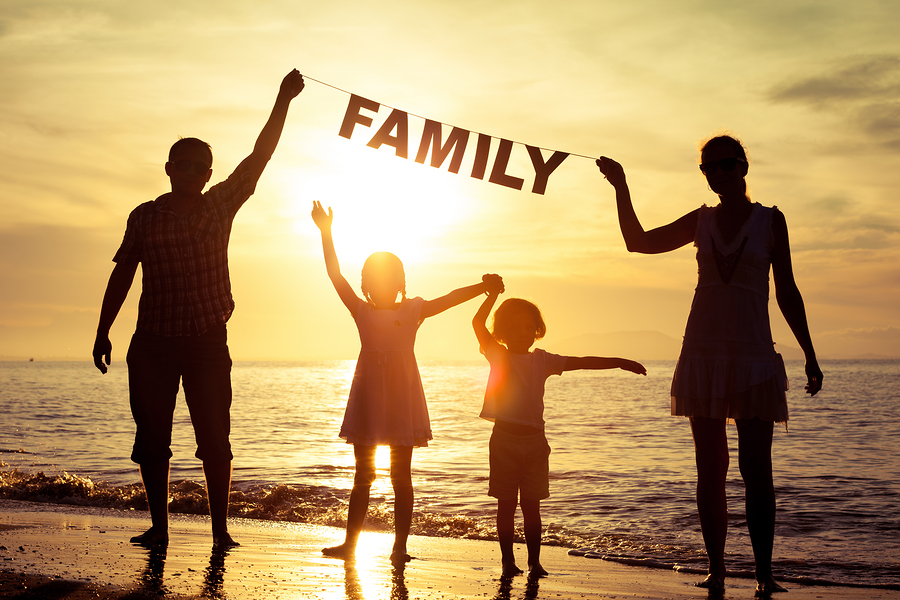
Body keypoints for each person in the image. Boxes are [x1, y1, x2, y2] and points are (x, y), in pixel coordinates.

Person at [597, 134, 823, 594]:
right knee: (710, 469)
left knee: (757, 471)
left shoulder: (771, 220)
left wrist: (810, 354)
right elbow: (638, 242)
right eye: (708, 168)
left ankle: (764, 574)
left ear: (743, 166)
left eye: (725, 164)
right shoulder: (700, 220)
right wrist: (621, 186)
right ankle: (716, 570)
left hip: (754, 356)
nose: (717, 173)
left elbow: (787, 290)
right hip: (703, 353)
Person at [92, 69, 306, 548]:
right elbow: (122, 274)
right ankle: (160, 528)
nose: (189, 173)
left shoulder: (219, 205)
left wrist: (283, 99)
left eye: (198, 167)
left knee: (214, 440)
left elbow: (260, 156)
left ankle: (220, 531)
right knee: (152, 439)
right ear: (168, 169)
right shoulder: (144, 216)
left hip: (207, 341)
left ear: (209, 174)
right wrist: (103, 330)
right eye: (182, 165)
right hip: (152, 343)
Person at [311, 200, 505, 566]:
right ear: (366, 285)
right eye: (375, 280)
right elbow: (335, 275)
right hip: (369, 400)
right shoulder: (361, 310)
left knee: (401, 477)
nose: (382, 286)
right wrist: (326, 231)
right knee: (363, 475)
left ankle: (399, 546)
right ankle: (350, 545)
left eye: (390, 280)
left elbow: (449, 299)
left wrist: (482, 287)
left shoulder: (413, 309)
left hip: (401, 400)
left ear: (401, 283)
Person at [472, 294, 646, 578]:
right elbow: (478, 322)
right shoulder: (497, 353)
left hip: (535, 443)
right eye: (514, 327)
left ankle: (534, 563)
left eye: (528, 327)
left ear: (536, 330)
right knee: (506, 505)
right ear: (502, 331)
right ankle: (507, 562)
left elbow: (582, 361)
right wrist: (491, 295)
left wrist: (619, 361)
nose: (522, 333)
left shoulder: (543, 360)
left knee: (532, 506)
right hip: (504, 441)